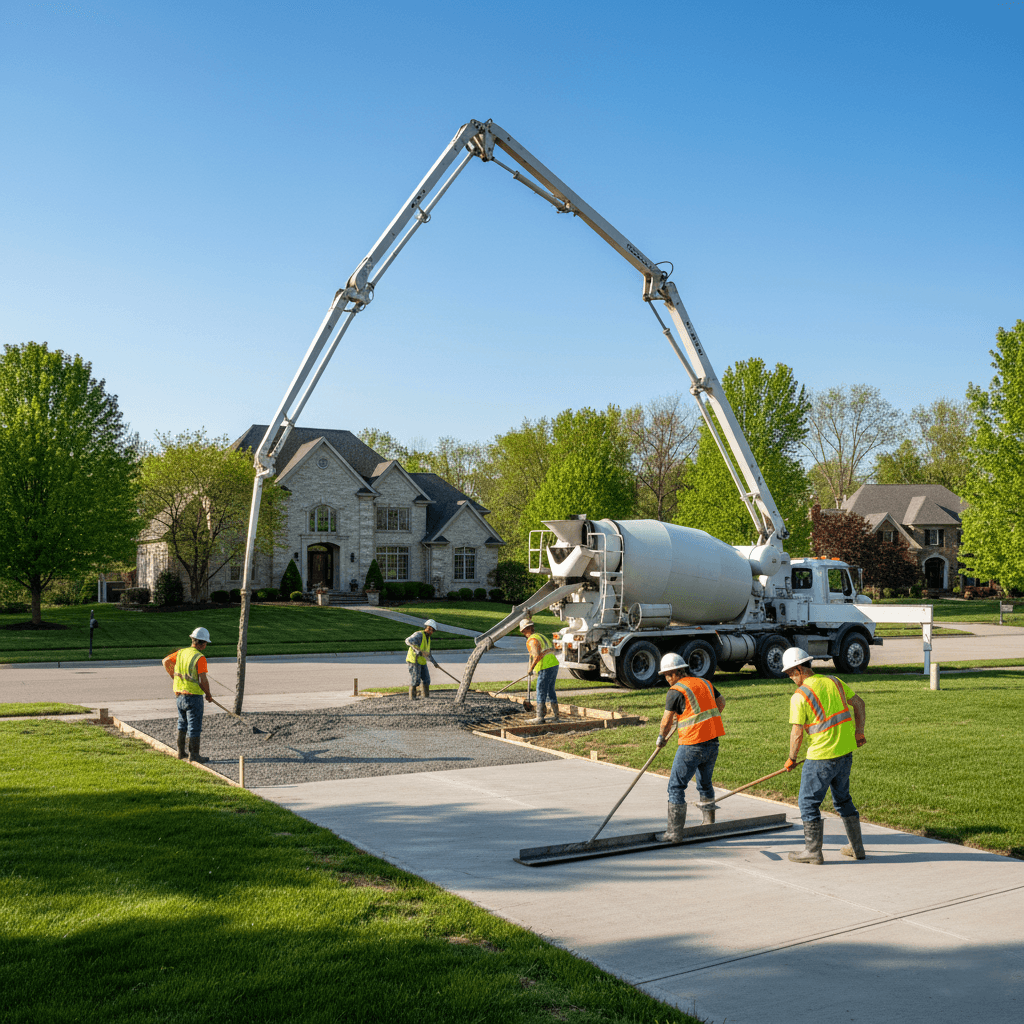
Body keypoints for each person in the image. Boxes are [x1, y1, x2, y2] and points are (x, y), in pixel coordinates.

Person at [782, 647, 867, 864]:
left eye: (791, 673)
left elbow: (797, 732)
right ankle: (857, 848)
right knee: (843, 800)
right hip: (845, 753)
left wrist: (792, 758)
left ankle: (813, 852)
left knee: (808, 803)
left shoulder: (800, 696)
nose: (791, 678)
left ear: (800, 669)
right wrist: (859, 732)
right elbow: (859, 703)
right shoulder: (834, 681)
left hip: (821, 757)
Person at [654, 652, 726, 840]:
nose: (667, 679)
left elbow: (667, 719)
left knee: (676, 787)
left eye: (668, 675)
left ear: (675, 672)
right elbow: (721, 702)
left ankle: (674, 832)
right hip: (713, 743)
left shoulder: (676, 691)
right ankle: (709, 824)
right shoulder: (705, 683)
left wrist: (661, 738)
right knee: (705, 784)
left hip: (692, 745)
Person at [162, 627, 214, 763]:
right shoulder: (200, 657)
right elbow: (203, 680)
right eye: (206, 643)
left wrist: (174, 676)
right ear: (202, 643)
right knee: (194, 726)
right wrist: (208, 694)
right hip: (194, 697)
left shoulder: (181, 652)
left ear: (192, 640)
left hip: (179, 695)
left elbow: (166, 661)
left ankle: (180, 753)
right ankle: (194, 755)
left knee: (182, 724)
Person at [519, 618, 560, 725]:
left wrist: (531, 668)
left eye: (523, 631)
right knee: (550, 690)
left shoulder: (532, 640)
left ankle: (539, 717)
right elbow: (551, 649)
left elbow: (537, 655)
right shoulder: (540, 636)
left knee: (541, 690)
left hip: (545, 666)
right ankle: (556, 715)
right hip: (554, 664)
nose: (523, 633)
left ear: (524, 630)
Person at [405, 619, 439, 699]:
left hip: (422, 661)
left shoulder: (428, 639)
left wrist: (434, 663)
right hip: (414, 660)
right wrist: (418, 651)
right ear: (428, 628)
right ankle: (412, 697)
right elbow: (408, 641)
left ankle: (425, 696)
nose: (432, 632)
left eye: (433, 631)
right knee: (416, 680)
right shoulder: (419, 635)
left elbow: (428, 653)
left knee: (426, 680)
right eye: (431, 630)